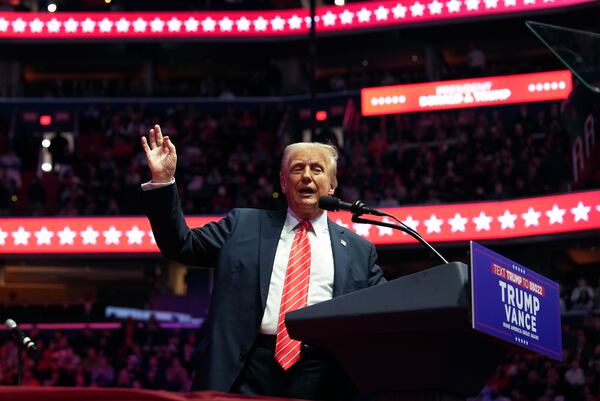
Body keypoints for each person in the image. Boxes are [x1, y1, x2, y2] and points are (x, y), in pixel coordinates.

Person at [140, 124, 386, 400]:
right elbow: (180, 245)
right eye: (297, 169)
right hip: (247, 372)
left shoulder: (358, 251)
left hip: (324, 375)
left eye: (316, 169)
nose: (306, 176)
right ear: (283, 182)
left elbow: (386, 310)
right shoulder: (242, 225)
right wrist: (163, 182)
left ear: (332, 183)